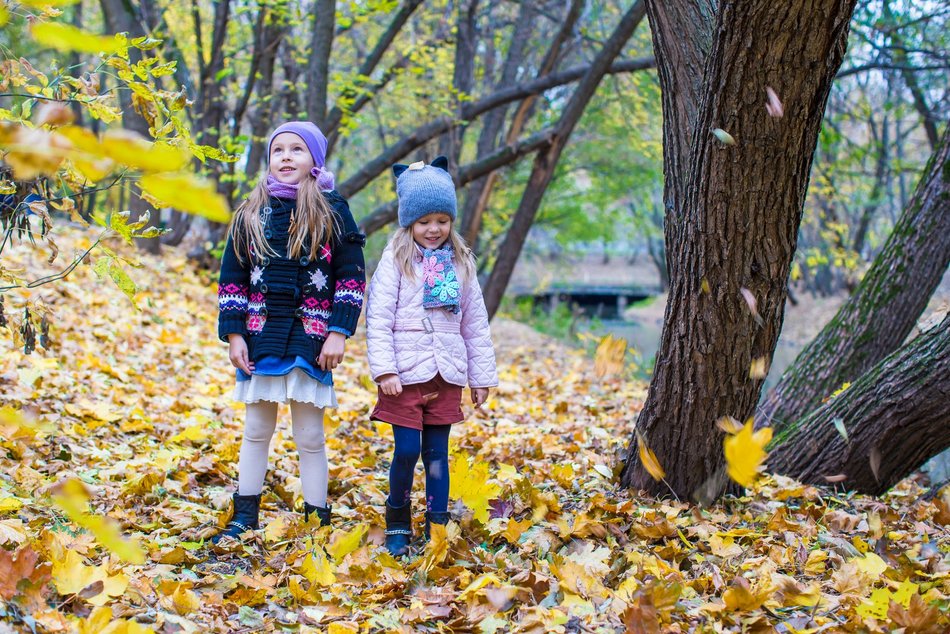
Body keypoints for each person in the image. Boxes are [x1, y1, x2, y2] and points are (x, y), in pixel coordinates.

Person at [214, 121, 365, 542]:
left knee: (310, 435)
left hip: (311, 336)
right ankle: (245, 515)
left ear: (314, 159)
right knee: (256, 430)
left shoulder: (333, 209)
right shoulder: (250, 212)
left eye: (296, 149)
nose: (285, 157)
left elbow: (351, 276)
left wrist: (339, 331)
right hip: (261, 334)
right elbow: (233, 277)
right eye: (278, 149)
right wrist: (235, 333)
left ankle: (317, 521)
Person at [365, 156, 498, 556]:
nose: (434, 229)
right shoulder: (395, 260)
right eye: (424, 221)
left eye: (442, 220)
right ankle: (398, 523)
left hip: (446, 373)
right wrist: (384, 369)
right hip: (403, 374)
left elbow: (475, 324)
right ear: (410, 222)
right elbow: (378, 318)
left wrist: (481, 376)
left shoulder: (460, 263)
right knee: (407, 451)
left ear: (452, 221)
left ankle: (437, 526)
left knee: (438, 456)